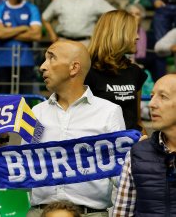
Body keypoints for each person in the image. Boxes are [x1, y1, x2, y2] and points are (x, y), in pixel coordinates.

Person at [26, 40, 125, 217]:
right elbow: (25, 163)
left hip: (91, 213)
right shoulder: (36, 113)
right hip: (40, 212)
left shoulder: (109, 112)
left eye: (51, 58)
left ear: (74, 68)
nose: (42, 66)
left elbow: (120, 173)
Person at [113, 74, 176, 216]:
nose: (151, 104)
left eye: (163, 96)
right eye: (152, 96)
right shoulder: (137, 153)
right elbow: (121, 212)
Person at [85, 10, 147, 131]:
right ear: (118, 33)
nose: (137, 37)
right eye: (133, 32)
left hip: (131, 144)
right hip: (100, 145)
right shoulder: (86, 71)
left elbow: (137, 121)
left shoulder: (135, 71)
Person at [0, 0, 41, 94]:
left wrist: (7, 31)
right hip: (2, 62)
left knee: (25, 101)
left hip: (26, 62)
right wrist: (23, 27)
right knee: (3, 101)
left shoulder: (31, 8)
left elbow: (36, 35)